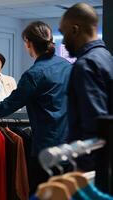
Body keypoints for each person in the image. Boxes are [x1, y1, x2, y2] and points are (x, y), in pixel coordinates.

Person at [0, 21, 72, 194]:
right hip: (70, 144)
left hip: (46, 148)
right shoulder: (67, 66)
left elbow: (6, 107)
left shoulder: (34, 74)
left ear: (29, 44)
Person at [60, 3, 113, 190]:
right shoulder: (106, 57)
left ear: (75, 30)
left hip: (92, 170)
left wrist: (82, 171)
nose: (63, 42)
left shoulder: (86, 65)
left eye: (63, 33)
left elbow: (94, 124)